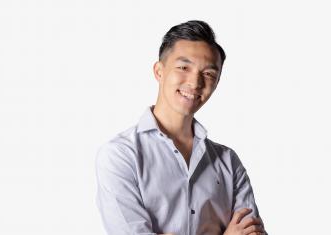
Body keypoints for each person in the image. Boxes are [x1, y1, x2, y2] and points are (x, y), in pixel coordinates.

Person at [95, 20, 267, 235]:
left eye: (209, 74)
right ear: (159, 71)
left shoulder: (228, 161)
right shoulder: (120, 156)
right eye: (184, 67)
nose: (195, 83)